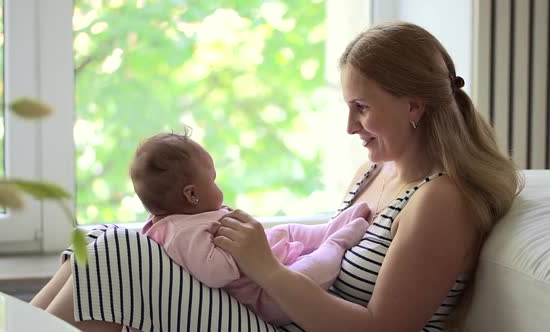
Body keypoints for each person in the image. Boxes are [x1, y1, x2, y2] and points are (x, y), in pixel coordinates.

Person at [30, 21, 522, 332]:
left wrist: (265, 267)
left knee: (120, 251)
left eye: (363, 107)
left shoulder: (440, 201)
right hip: (279, 318)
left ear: (414, 104)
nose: (350, 125)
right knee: (98, 243)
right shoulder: (372, 173)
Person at [129, 132, 369, 325]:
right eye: (212, 180)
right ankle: (337, 242)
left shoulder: (190, 217)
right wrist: (248, 249)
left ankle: (329, 229)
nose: (217, 186)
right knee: (313, 269)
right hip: (267, 297)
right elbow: (216, 273)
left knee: (283, 230)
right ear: (192, 194)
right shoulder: (181, 233)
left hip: (271, 268)